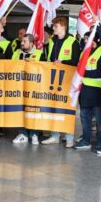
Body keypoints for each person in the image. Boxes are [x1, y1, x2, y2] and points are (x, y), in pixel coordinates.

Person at [41, 17, 80, 146]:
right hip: (54, 79)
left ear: (63, 27)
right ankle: (55, 135)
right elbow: (49, 58)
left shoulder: (73, 41)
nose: (53, 29)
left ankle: (69, 137)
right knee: (54, 107)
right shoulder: (52, 41)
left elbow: (75, 61)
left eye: (56, 26)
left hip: (68, 80)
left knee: (67, 108)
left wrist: (62, 62)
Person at [75, 27, 101, 153]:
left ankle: (100, 143)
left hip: (97, 92)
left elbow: (99, 72)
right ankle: (85, 140)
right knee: (84, 117)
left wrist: (83, 73)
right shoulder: (83, 52)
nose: (85, 41)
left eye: (88, 39)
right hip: (84, 91)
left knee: (99, 120)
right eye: (84, 39)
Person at [11, 34, 44, 145]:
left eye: (24, 41)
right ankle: (22, 133)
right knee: (21, 110)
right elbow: (10, 67)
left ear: (31, 43)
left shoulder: (39, 53)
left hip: (34, 89)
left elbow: (45, 69)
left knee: (33, 110)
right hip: (19, 87)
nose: (22, 43)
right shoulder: (16, 53)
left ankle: (34, 133)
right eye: (21, 41)